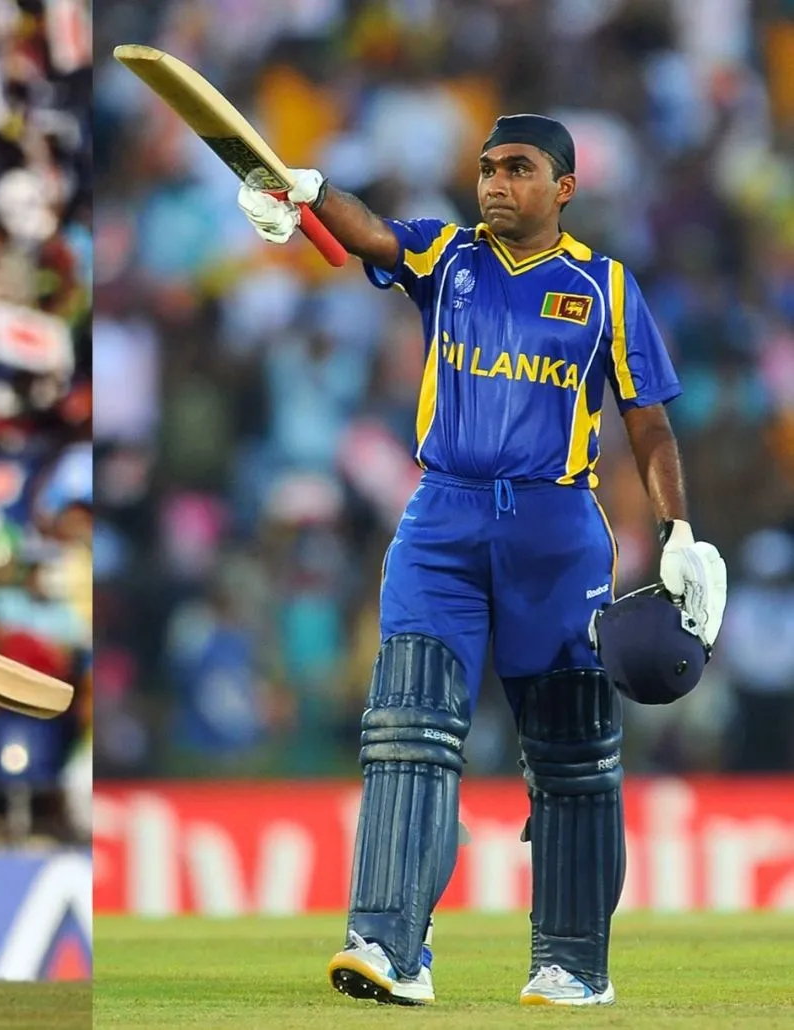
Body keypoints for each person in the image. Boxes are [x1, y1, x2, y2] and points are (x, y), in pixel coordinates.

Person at [238, 115, 728, 1006]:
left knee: (573, 752)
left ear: (564, 188)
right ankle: (390, 947)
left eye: (518, 168)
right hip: (443, 520)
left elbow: (649, 422)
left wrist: (678, 531)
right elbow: (371, 235)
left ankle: (573, 964)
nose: (496, 182)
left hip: (557, 529)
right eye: (487, 167)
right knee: (407, 727)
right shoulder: (449, 256)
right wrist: (308, 194)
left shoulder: (605, 287)